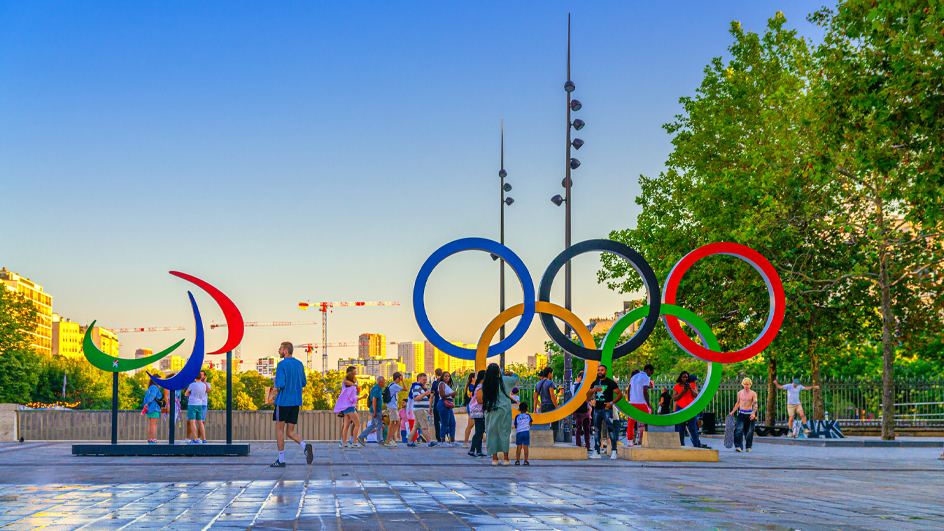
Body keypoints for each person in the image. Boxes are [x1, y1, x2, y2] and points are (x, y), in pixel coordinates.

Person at [270, 342, 313, 467]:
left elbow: (280, 383)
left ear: (285, 351)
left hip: (283, 402)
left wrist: (275, 382)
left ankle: (281, 460)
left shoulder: (281, 364)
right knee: (290, 431)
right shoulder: (299, 364)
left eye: (280, 349)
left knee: (280, 430)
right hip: (296, 402)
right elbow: (303, 382)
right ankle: (304, 446)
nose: (278, 351)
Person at [483, 363, 519, 466]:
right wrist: (510, 373)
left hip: (491, 410)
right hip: (504, 410)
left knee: (492, 433)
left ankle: (495, 458)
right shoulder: (504, 380)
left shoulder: (486, 383)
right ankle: (506, 459)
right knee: (504, 433)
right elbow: (516, 378)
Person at [586, 364, 622, 459]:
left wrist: (611, 403)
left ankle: (614, 451)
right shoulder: (595, 383)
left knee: (610, 430)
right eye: (598, 370)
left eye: (602, 370)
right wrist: (592, 390)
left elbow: (619, 394)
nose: (600, 372)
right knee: (596, 430)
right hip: (597, 409)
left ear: (605, 372)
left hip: (607, 410)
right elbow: (587, 397)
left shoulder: (610, 383)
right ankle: (597, 451)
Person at [674, 371, 708, 448]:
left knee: (692, 427)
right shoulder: (677, 386)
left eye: (686, 377)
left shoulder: (692, 385)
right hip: (681, 407)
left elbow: (696, 395)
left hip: (691, 408)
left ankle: (696, 444)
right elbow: (674, 398)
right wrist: (682, 392)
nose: (685, 379)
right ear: (680, 378)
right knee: (681, 427)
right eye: (683, 377)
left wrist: (690, 389)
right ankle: (681, 444)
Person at [626, 364, 654, 447]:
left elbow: (629, 389)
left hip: (632, 402)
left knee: (631, 422)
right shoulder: (646, 378)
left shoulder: (634, 377)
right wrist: (648, 404)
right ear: (647, 370)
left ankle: (629, 440)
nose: (650, 375)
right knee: (647, 420)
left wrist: (629, 400)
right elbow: (645, 391)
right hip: (641, 402)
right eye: (651, 373)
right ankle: (643, 439)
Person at [729, 377, 758, 453]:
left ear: (750, 385)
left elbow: (755, 404)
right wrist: (732, 411)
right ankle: (738, 446)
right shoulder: (740, 393)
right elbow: (738, 403)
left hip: (749, 414)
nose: (746, 386)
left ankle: (748, 446)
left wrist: (753, 413)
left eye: (747, 384)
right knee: (738, 430)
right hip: (741, 413)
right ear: (743, 384)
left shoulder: (753, 393)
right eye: (745, 384)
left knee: (749, 432)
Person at [333, 370, 361, 448]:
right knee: (357, 424)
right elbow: (352, 399)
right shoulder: (353, 388)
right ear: (352, 379)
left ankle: (343, 443)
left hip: (345, 409)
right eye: (355, 377)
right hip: (351, 408)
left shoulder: (345, 387)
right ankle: (354, 442)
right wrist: (357, 399)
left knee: (346, 426)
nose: (356, 379)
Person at [407, 373, 435, 447]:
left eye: (426, 379)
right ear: (419, 379)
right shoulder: (417, 387)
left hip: (419, 409)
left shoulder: (420, 387)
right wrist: (425, 394)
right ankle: (430, 442)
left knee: (415, 426)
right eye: (424, 379)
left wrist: (426, 392)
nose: (425, 381)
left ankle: (410, 442)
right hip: (420, 410)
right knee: (424, 426)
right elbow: (416, 398)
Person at [356, 376, 386, 446]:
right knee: (379, 425)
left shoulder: (378, 388)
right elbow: (374, 401)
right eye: (384, 381)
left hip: (376, 409)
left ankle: (361, 437)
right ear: (380, 382)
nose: (385, 383)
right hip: (376, 409)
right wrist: (375, 412)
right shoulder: (376, 389)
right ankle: (380, 441)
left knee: (373, 425)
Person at [533, 367, 559, 441]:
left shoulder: (538, 384)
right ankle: (553, 440)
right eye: (552, 374)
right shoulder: (550, 382)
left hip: (543, 406)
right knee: (555, 424)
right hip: (551, 406)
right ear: (549, 373)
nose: (552, 375)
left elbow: (535, 397)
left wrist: (535, 409)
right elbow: (552, 395)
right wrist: (556, 406)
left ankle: (545, 440)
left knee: (545, 424)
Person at [184, 372, 209, 444]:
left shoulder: (192, 384)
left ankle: (195, 439)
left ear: (194, 378)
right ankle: (204, 439)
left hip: (192, 404)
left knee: (192, 422)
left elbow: (186, 393)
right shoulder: (204, 385)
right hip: (200, 404)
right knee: (200, 422)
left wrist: (190, 394)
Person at [467, 369, 487, 458]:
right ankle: (472, 450)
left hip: (480, 412)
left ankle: (479, 451)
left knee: (480, 430)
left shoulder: (480, 386)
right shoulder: (480, 387)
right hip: (478, 411)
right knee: (479, 431)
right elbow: (479, 400)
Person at [382, 372, 404, 447]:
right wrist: (403, 381)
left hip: (391, 406)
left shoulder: (390, 384)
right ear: (398, 378)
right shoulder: (394, 385)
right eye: (400, 378)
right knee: (392, 423)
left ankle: (389, 439)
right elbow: (405, 389)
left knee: (397, 422)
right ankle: (388, 440)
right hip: (392, 407)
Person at [436, 371, 457, 447]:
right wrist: (452, 394)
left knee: (452, 423)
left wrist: (453, 395)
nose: (447, 377)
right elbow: (442, 395)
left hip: (449, 404)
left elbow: (450, 395)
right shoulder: (442, 384)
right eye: (445, 376)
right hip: (444, 403)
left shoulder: (448, 385)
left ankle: (452, 440)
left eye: (448, 376)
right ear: (442, 377)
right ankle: (442, 440)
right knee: (445, 422)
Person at [571, 371, 591, 449]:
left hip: (585, 410)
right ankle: (579, 444)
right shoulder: (578, 386)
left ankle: (587, 445)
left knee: (586, 429)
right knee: (579, 429)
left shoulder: (586, 386)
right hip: (579, 411)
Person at [462, 373, 476, 444]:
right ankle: (466, 441)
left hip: (472, 406)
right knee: (471, 424)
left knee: (478, 426)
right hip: (472, 406)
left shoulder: (471, 386)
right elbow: (472, 395)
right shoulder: (471, 386)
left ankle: (484, 441)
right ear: (473, 378)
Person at [431, 368, 443, 443]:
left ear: (435, 374)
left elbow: (431, 396)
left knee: (436, 422)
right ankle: (445, 436)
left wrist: (430, 407)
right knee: (444, 421)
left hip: (436, 404)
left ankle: (438, 438)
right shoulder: (444, 382)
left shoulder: (435, 383)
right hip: (444, 404)